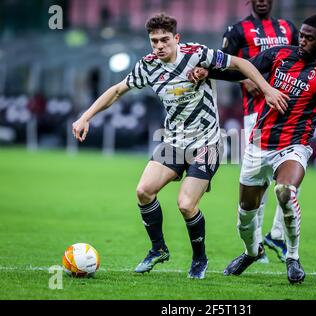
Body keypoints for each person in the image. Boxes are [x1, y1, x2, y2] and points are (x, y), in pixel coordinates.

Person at [71, 13, 288, 280]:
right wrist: (85, 117)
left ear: (177, 38)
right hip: (173, 141)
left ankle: (199, 258)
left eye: (164, 40)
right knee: (143, 191)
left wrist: (266, 89)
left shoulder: (198, 54)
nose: (159, 46)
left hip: (206, 143)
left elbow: (241, 62)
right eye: (154, 41)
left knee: (186, 205)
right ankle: (158, 249)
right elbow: (117, 90)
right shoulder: (148, 66)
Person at [203, 14, 316, 283]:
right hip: (259, 146)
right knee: (245, 216)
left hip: (294, 146)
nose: (302, 40)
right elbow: (239, 71)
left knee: (285, 193)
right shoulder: (279, 54)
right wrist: (206, 71)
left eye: (309, 38)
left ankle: (292, 257)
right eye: (301, 35)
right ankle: (251, 251)